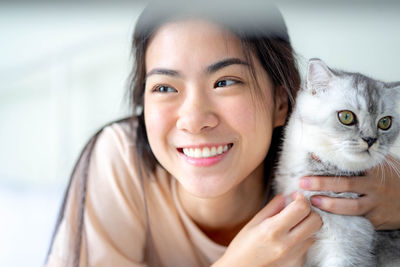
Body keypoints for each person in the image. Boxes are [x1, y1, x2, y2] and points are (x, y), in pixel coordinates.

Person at [45, 1, 400, 266]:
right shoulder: (119, 158)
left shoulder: (347, 175)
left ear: (282, 102)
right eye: (165, 87)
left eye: (225, 81)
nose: (195, 119)